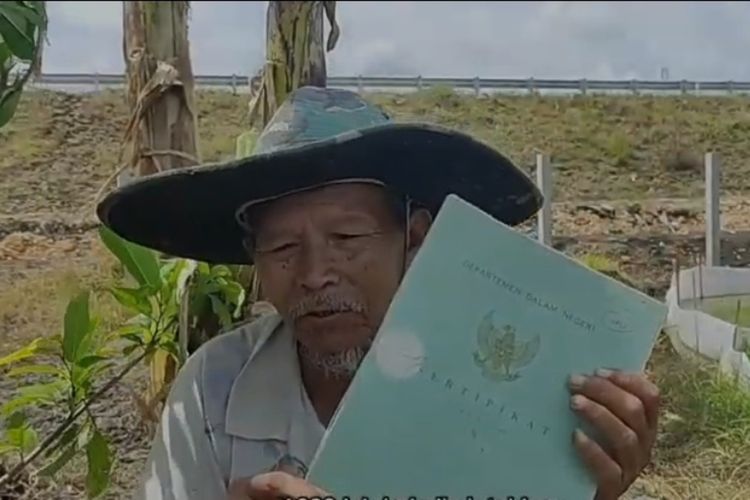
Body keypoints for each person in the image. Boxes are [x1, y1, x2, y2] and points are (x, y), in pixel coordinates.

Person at [97, 86, 660, 500]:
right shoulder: (214, 391)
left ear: (414, 239)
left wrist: (581, 487)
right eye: (283, 248)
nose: (315, 274)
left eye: (346, 238)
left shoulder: (505, 389)